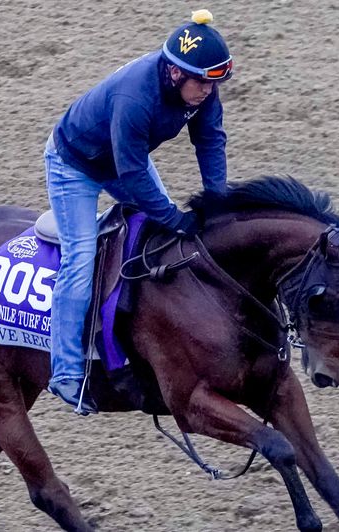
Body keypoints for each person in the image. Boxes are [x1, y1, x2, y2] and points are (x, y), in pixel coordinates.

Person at [44, 9, 234, 414]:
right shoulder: (135, 96)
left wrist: (216, 204)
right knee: (81, 255)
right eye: (202, 82)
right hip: (75, 165)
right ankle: (66, 373)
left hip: (123, 156)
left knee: (157, 238)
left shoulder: (202, 90)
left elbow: (210, 141)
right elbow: (131, 173)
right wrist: (172, 216)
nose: (207, 91)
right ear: (175, 74)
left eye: (214, 83)